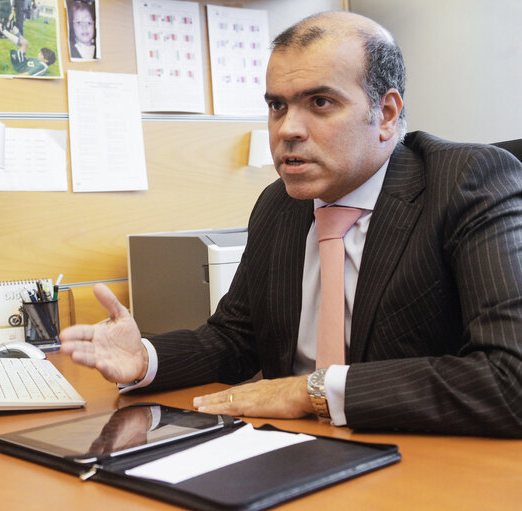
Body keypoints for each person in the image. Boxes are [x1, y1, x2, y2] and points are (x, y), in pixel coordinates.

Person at [60, 11, 522, 438]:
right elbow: (236, 338)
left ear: (385, 115)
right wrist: (146, 358)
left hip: (419, 457)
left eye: (320, 102)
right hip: (294, 448)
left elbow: (510, 377)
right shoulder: (279, 205)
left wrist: (310, 391)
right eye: (277, 106)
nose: (287, 130)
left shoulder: (468, 182)